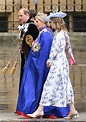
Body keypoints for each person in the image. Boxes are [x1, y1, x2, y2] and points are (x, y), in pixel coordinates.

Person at [27, 11, 78, 119]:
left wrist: (50, 60)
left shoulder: (59, 35)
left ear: (55, 23)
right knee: (65, 84)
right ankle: (72, 109)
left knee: (48, 85)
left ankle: (39, 110)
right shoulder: (64, 33)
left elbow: (55, 49)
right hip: (62, 61)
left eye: (51, 22)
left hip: (58, 62)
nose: (50, 24)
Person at [16, 12, 54, 117]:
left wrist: (34, 60)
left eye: (37, 22)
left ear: (43, 22)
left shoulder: (46, 34)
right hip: (35, 63)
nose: (36, 24)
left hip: (39, 66)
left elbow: (44, 54)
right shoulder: (42, 32)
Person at [18, 8, 39, 91]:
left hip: (29, 55)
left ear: (27, 15)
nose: (19, 18)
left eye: (21, 16)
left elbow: (33, 42)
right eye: (18, 16)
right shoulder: (25, 25)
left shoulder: (31, 26)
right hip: (24, 54)